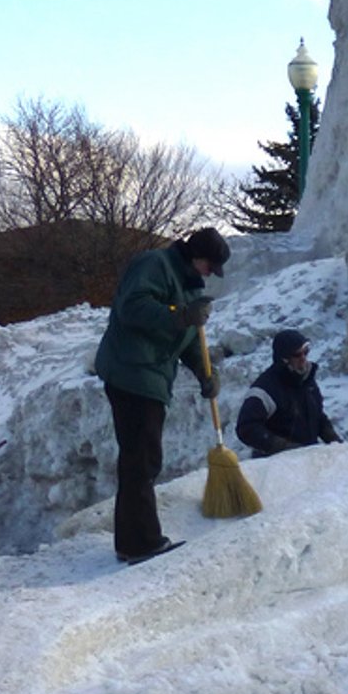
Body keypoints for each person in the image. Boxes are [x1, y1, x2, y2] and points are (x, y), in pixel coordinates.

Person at [93, 227, 229, 565]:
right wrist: (179, 315)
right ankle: (140, 544)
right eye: (209, 266)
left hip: (149, 376)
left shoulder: (184, 284)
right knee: (141, 459)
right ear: (196, 256)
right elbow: (133, 308)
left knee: (141, 459)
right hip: (131, 372)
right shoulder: (154, 265)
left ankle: (133, 541)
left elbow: (187, 338)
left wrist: (205, 372)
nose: (210, 274)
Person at [236, 329, 343, 457]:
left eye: (305, 352)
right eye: (297, 355)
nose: (303, 358)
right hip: (276, 465)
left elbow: (317, 415)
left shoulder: (306, 381)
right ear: (284, 359)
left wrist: (334, 441)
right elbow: (246, 428)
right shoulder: (265, 389)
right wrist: (282, 447)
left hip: (308, 459)